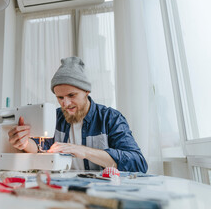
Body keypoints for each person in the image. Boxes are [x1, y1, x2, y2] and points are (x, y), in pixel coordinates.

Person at [8, 57, 148, 172]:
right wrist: (24, 142)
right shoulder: (55, 118)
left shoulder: (110, 118)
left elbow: (138, 163)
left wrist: (84, 151)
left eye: (71, 95)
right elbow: (39, 149)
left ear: (87, 91)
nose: (66, 104)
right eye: (60, 98)